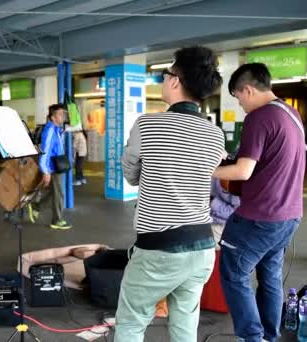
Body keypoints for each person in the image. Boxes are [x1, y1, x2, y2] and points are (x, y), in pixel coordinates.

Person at [115, 46, 225, 342]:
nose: (164, 80)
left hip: (159, 248)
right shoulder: (215, 134)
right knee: (185, 326)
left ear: (175, 80)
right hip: (202, 247)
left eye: (165, 75)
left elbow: (130, 175)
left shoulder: (147, 124)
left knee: (131, 322)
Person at [214, 63, 306, 342]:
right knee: (269, 277)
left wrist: (204, 169)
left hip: (260, 217)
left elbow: (243, 171)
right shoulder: (291, 114)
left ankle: (252, 338)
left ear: (249, 89)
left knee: (233, 274)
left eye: (239, 97)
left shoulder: (259, 117)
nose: (240, 104)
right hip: (289, 215)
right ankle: (268, 335)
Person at [27, 104, 72, 230]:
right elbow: (45, 151)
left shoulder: (56, 129)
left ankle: (37, 205)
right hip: (52, 167)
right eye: (59, 114)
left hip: (56, 165)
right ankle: (56, 220)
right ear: (52, 117)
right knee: (59, 194)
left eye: (63, 114)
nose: (62, 117)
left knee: (54, 192)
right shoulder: (50, 130)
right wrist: (45, 171)